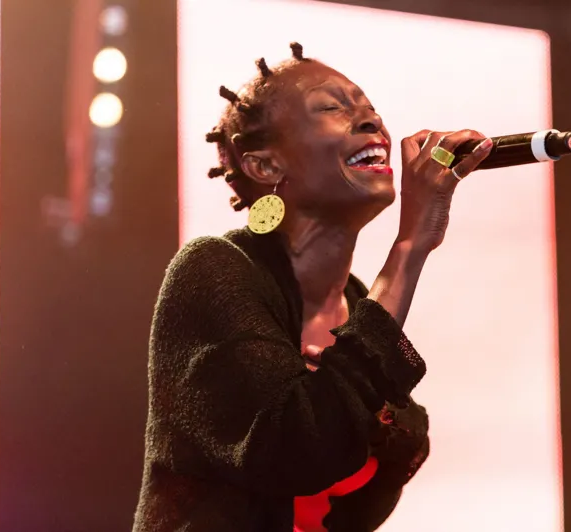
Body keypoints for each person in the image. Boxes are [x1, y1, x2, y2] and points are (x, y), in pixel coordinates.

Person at [132, 42, 493, 532]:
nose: (370, 122)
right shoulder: (214, 270)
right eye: (332, 107)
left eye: (370, 109)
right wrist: (410, 245)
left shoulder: (357, 304)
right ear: (265, 166)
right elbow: (297, 448)